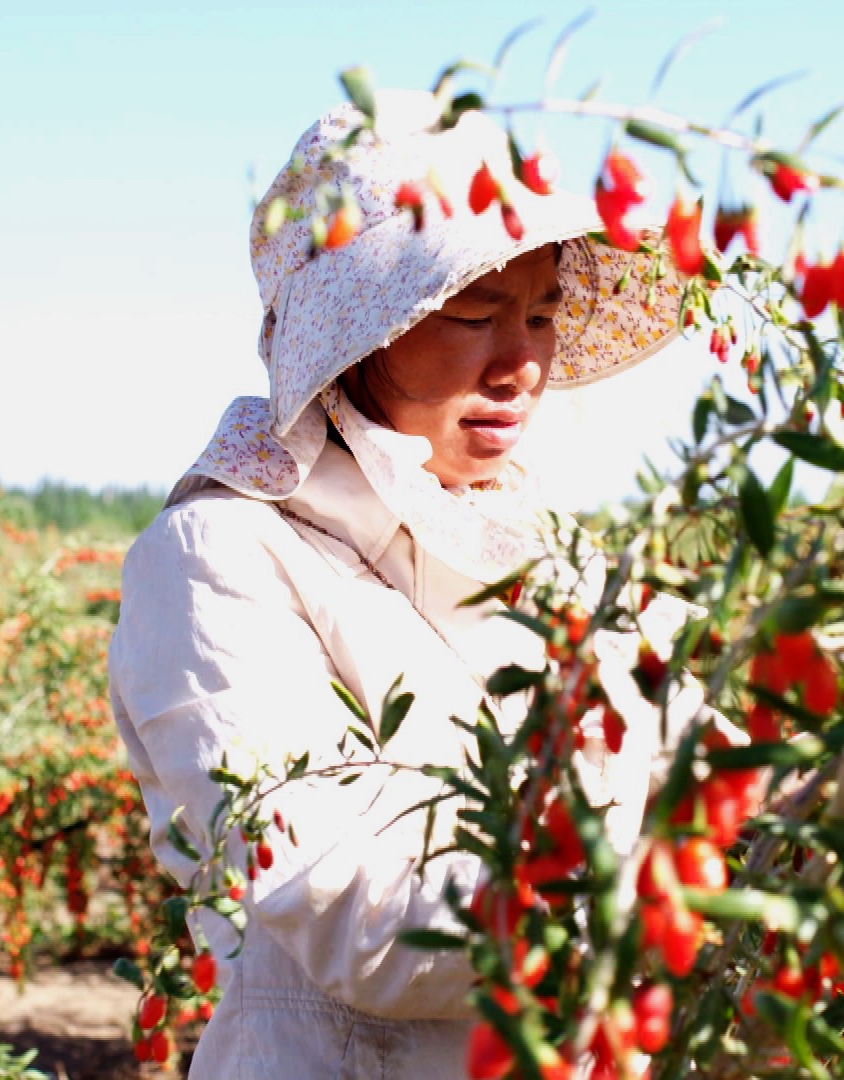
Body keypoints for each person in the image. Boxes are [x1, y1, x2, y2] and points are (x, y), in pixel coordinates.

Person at [107, 89, 707, 1078]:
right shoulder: (219, 560)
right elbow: (356, 919)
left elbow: (705, 750)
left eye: (543, 315)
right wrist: (662, 896)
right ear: (356, 335)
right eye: (471, 312)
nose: (521, 364)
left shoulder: (546, 553)